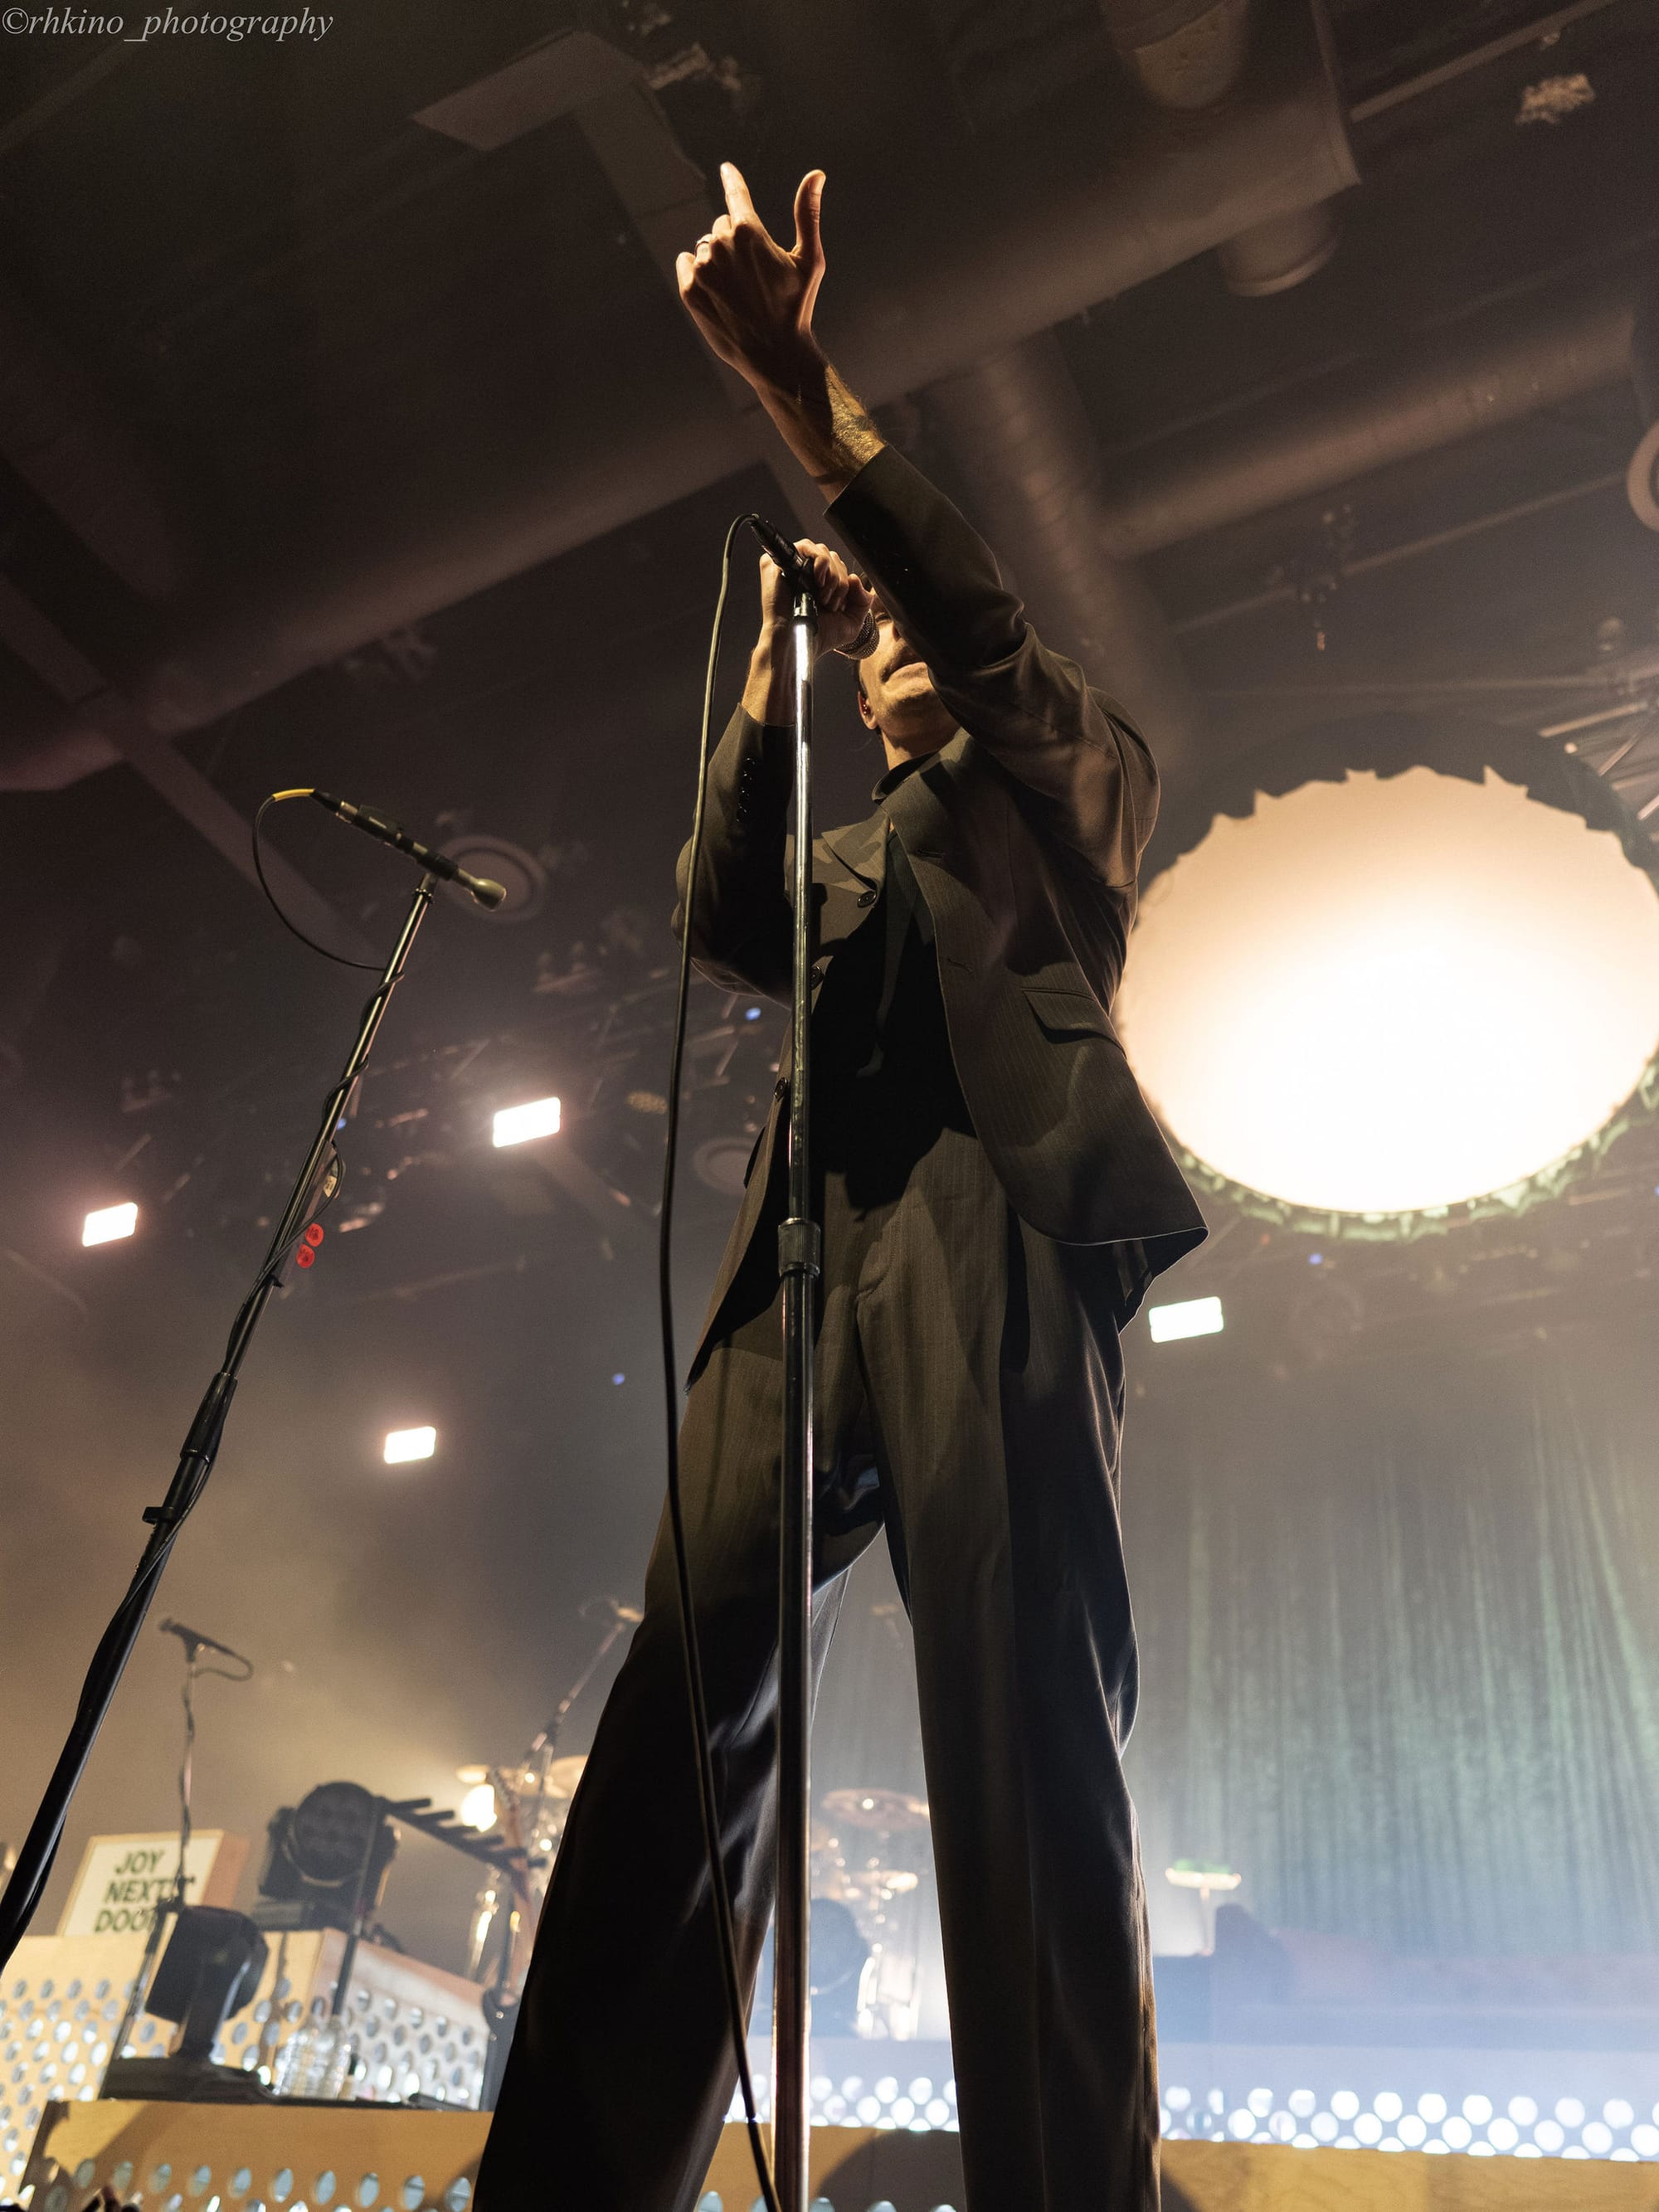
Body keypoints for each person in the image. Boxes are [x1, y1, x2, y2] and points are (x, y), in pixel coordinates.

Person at [475, 163, 1204, 2212]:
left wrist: (812, 407)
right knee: (681, 1696)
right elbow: (723, 907)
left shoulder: (1070, 773)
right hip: (803, 1267)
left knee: (1017, 1720)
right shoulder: (853, 851)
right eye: (874, 632)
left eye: (900, 629)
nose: (890, 638)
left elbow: (977, 615)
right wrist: (769, 683)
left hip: (993, 1230)